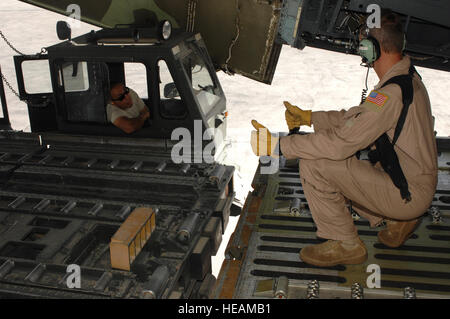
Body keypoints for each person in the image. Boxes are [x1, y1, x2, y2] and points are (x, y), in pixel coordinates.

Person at [250, 9, 438, 267]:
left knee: (315, 164)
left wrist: (278, 145)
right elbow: (357, 119)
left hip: (409, 191)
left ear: (372, 48)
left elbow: (339, 145)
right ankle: (398, 221)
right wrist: (310, 118)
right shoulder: (405, 78)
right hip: (410, 180)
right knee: (342, 160)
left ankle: (345, 244)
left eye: (363, 44)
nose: (361, 51)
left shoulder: (390, 94)